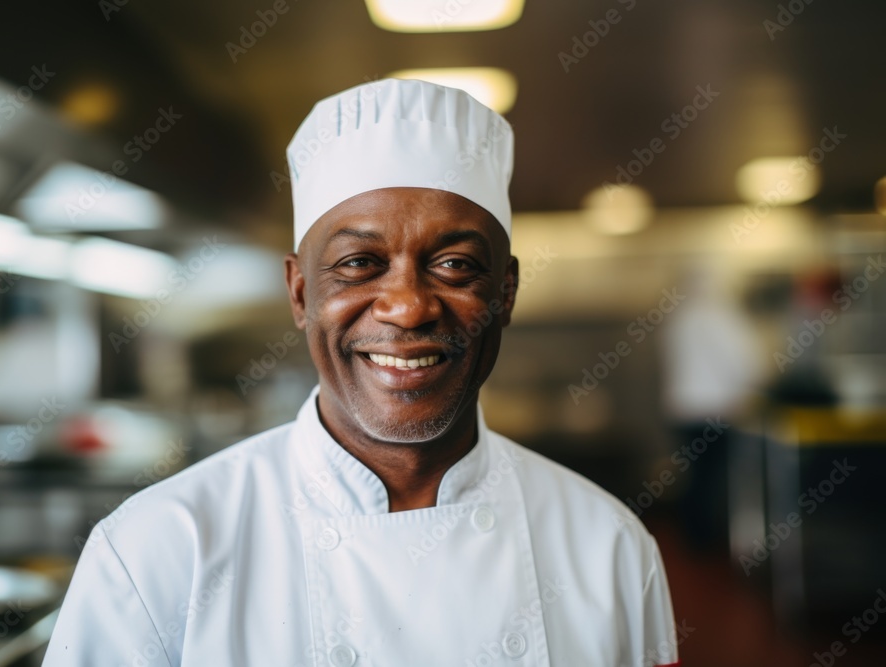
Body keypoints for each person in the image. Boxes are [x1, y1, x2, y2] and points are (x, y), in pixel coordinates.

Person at [43, 78, 681, 667]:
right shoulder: (153, 552)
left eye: (455, 265)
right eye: (358, 263)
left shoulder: (611, 549)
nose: (408, 306)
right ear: (300, 293)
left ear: (506, 293)